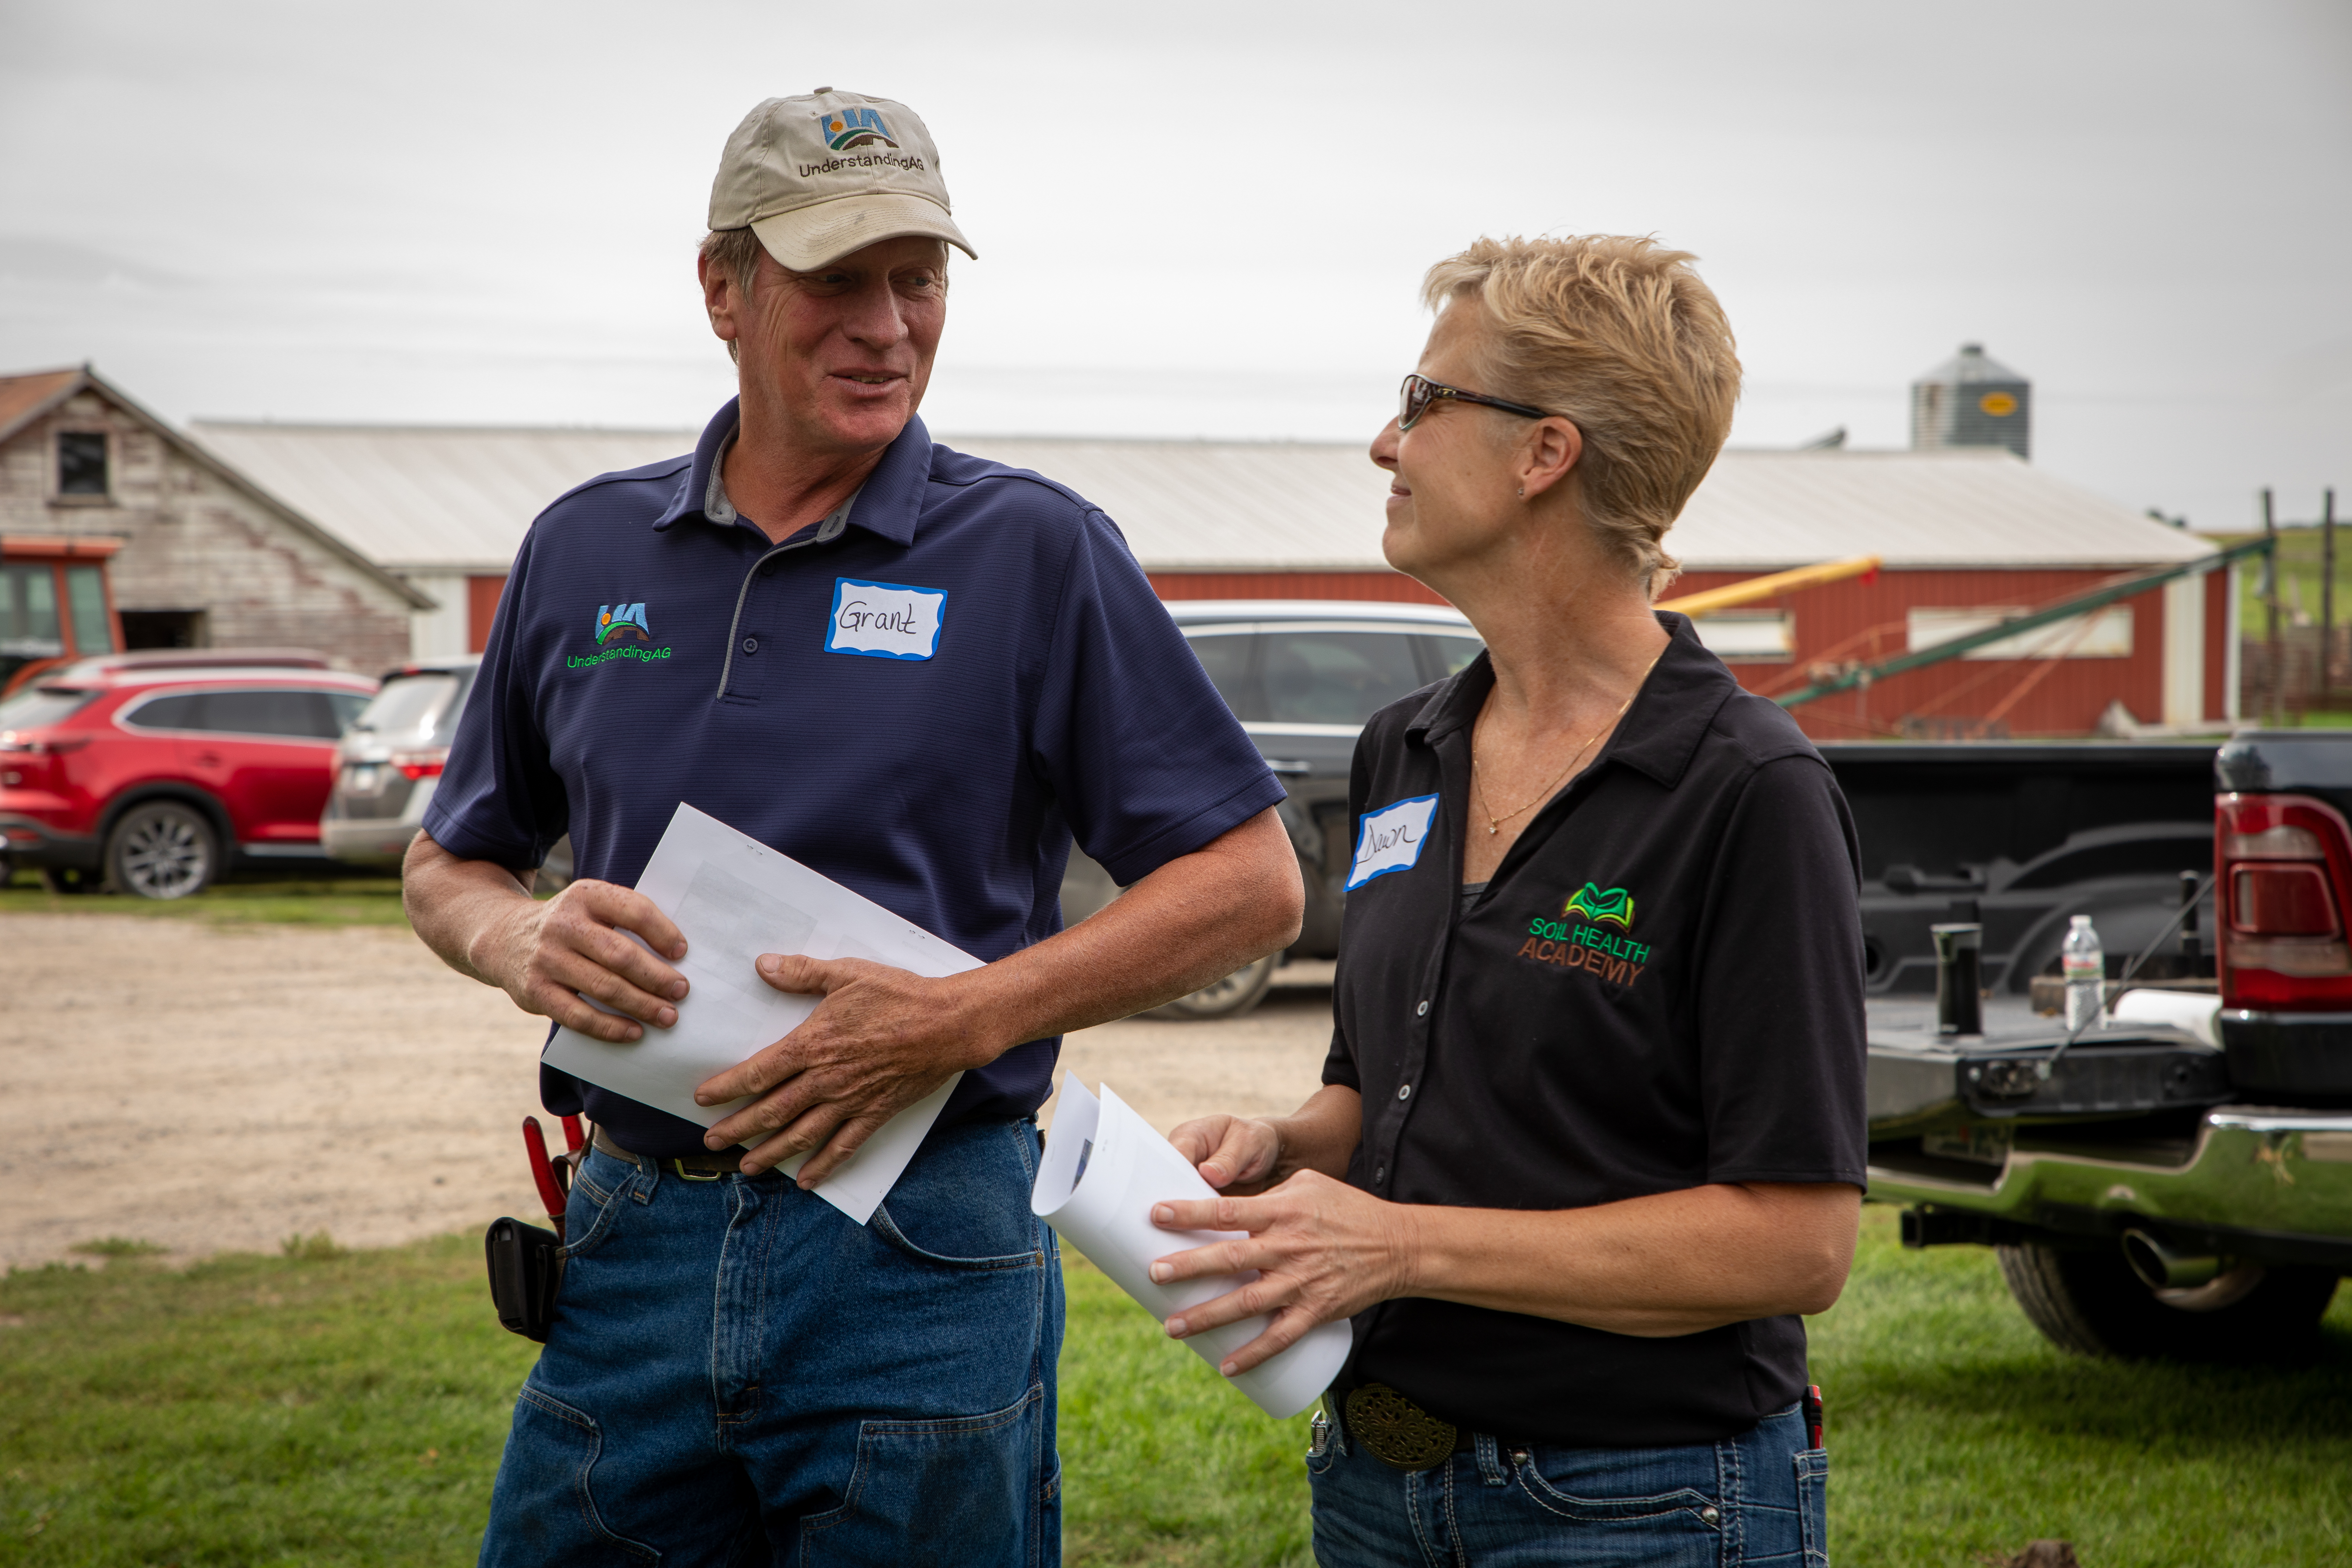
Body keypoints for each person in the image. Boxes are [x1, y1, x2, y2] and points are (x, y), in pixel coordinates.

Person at [403, 88, 1302, 1565]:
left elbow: (1252, 884)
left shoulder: (1034, 550)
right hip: (634, 1230)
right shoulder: (582, 549)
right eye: (837, 277)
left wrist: (963, 1015)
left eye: (921, 277)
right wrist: (514, 932)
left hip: (925, 1247)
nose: (887, 323)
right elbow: (451, 858)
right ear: (724, 287)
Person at [1149, 235, 1868, 1566]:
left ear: (1547, 454)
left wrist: (1402, 1247)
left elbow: (1795, 1244)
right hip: (1376, 1482)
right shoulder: (1404, 751)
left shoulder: (1750, 792)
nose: (1385, 442)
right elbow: (1382, 1087)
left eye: (1425, 402)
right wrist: (1291, 1145)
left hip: (1641, 1509)